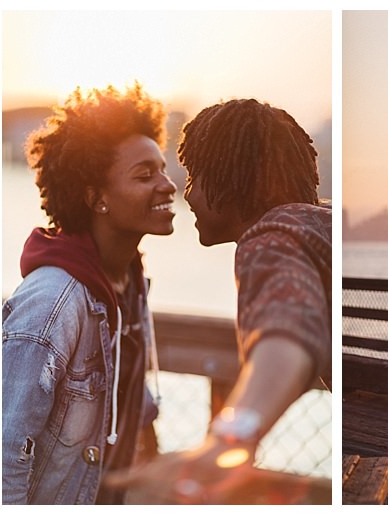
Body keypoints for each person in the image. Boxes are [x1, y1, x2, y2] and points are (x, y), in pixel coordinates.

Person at [107, 98, 332, 504]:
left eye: (194, 176)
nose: (187, 196)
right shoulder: (318, 223)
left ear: (232, 179)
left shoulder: (271, 240)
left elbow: (286, 330)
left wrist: (227, 441)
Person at [1, 83, 177, 504]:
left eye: (163, 168)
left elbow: (128, 392)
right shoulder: (50, 304)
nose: (169, 185)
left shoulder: (129, 279)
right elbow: (4, 451)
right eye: (144, 175)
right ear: (96, 198)